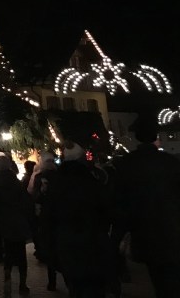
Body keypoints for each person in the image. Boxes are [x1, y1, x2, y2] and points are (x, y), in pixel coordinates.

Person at [113, 115, 180, 298]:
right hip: (172, 228)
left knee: (157, 277)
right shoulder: (170, 162)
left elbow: (120, 202)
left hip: (144, 231)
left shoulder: (126, 164)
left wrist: (118, 235)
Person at [45, 140, 112, 298]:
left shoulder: (57, 183)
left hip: (66, 240)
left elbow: (49, 216)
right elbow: (105, 210)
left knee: (75, 285)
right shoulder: (91, 180)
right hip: (91, 240)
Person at [0, 154, 32, 296]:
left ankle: (7, 283)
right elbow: (25, 200)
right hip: (17, 222)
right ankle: (22, 285)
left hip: (2, 222)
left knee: (8, 254)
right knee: (21, 254)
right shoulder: (15, 181)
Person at [29, 151, 58, 291]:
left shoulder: (40, 177)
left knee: (51, 247)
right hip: (55, 217)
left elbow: (34, 196)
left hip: (47, 216)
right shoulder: (59, 176)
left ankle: (52, 280)